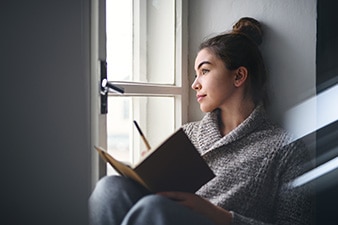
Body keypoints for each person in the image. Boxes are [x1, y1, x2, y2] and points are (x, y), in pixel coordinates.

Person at [89, 17, 314, 225]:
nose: (194, 84)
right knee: (109, 188)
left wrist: (220, 216)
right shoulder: (188, 134)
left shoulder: (285, 148)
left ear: (238, 76)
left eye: (204, 71)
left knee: (154, 207)